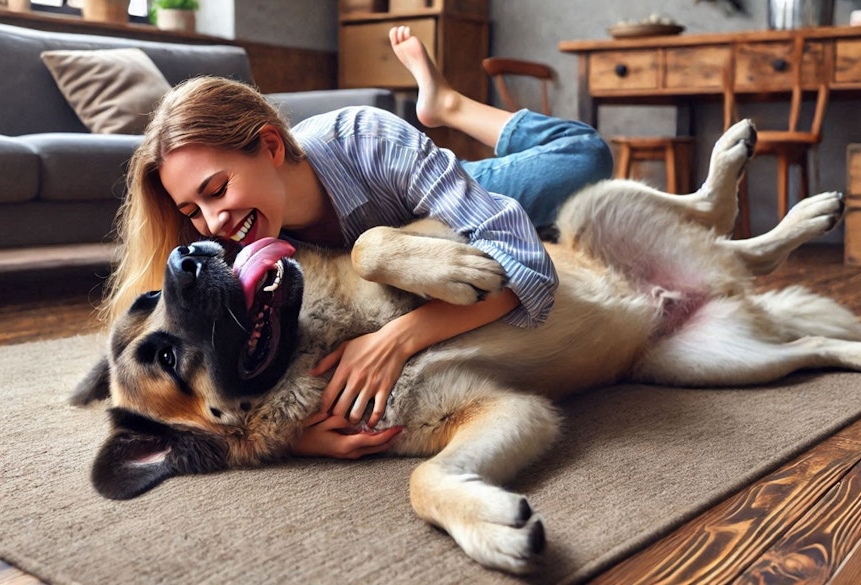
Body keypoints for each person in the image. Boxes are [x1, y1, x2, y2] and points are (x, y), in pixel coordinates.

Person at [100, 26, 613, 460]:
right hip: (431, 258)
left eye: (217, 190)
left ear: (272, 146)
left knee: (586, 158)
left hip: (449, 197)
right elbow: (201, 394)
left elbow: (529, 269)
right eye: (193, 210)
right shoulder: (229, 241)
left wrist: (398, 339)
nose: (212, 222)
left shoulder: (370, 140)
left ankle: (448, 103)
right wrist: (299, 439)